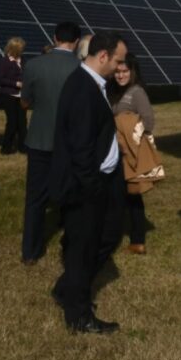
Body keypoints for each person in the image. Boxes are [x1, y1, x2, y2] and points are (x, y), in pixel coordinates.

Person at [49, 31, 127, 334]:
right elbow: (80, 148)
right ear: (103, 56)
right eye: (118, 61)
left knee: (104, 237)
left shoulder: (93, 85)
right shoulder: (82, 88)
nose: (121, 68)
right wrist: (93, 188)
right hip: (85, 187)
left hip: (99, 182)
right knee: (83, 249)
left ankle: (66, 289)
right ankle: (78, 315)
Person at [20, 21, 80, 264]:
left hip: (39, 140)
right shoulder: (81, 68)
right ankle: (70, 247)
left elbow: (24, 102)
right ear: (76, 41)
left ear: (54, 38)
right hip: (70, 142)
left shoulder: (34, 65)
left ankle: (30, 252)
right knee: (71, 195)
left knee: (35, 198)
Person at [108, 53, 158, 255]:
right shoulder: (113, 91)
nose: (120, 76)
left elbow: (148, 121)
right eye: (117, 72)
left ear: (132, 71)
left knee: (132, 195)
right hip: (112, 150)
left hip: (128, 152)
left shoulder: (136, 93)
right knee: (117, 194)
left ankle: (137, 239)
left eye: (125, 72)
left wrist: (131, 139)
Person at [0, 37, 27, 155]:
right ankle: (6, 148)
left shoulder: (23, 60)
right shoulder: (4, 61)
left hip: (21, 95)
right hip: (9, 95)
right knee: (12, 122)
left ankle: (23, 147)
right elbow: (0, 79)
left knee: (22, 122)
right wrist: (16, 83)